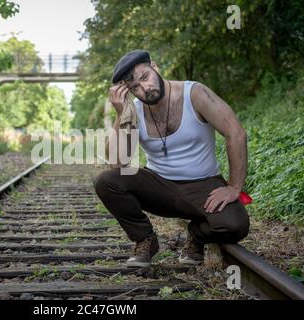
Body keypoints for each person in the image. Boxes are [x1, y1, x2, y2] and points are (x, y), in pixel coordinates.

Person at [92, 49, 250, 267]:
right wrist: (121, 115)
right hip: (160, 186)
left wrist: (234, 187)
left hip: (203, 186)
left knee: (235, 225)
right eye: (134, 87)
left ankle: (196, 234)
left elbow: (236, 133)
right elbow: (118, 164)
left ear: (155, 67)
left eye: (145, 77)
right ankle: (145, 239)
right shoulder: (134, 111)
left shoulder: (194, 93)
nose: (144, 88)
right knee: (106, 180)